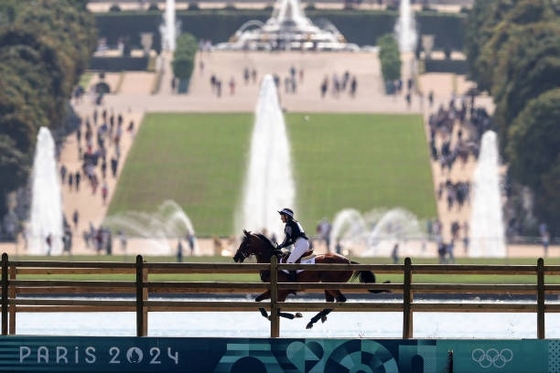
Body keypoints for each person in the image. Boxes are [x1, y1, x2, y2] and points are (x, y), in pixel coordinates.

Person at [275, 208, 310, 281]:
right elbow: (291, 240)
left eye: (282, 215)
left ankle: (293, 283)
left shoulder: (289, 224)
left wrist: (280, 246)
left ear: (287, 216)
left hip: (301, 244)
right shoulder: (294, 222)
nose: (281, 218)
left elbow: (287, 238)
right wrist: (281, 246)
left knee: (289, 262)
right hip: (301, 243)